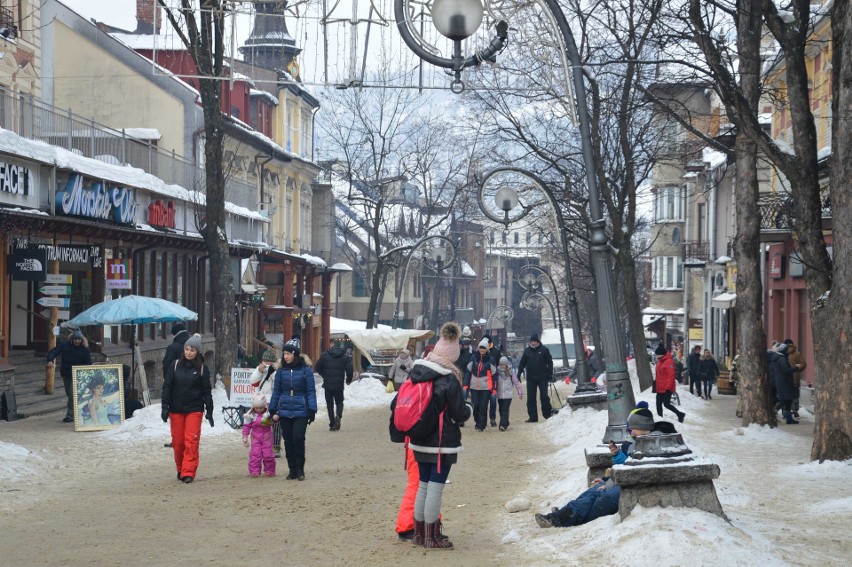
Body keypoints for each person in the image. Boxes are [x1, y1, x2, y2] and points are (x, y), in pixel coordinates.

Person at [395, 322, 471, 549]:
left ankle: (419, 534)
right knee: (435, 489)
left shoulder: (418, 373)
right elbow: (460, 413)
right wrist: (469, 410)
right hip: (441, 444)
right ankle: (432, 536)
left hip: (418, 440)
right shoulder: (448, 379)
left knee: (423, 486)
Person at [161, 333, 214, 484]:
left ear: (197, 352)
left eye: (192, 350)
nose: (189, 352)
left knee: (191, 441)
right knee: (178, 443)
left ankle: (188, 471)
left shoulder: (202, 369)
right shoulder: (175, 365)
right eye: (187, 349)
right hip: (176, 409)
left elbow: (207, 391)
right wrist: (165, 407)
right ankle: (180, 467)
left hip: (194, 409)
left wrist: (209, 410)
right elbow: (167, 387)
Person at [269, 338, 318, 480]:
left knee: (298, 438)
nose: (286, 356)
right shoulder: (281, 371)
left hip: (301, 409)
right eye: (284, 353)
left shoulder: (305, 371)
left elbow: (310, 390)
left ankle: (300, 469)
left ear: (295, 354)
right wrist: (273, 409)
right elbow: (276, 391)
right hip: (284, 409)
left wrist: (312, 409)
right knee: (288, 440)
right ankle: (292, 469)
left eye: (289, 353)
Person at [47, 330, 92, 423]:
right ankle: (78, 411)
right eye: (75, 339)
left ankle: (70, 415)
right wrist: (50, 360)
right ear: (71, 339)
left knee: (72, 394)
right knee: (69, 393)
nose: (77, 341)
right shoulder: (64, 345)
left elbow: (88, 362)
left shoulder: (84, 348)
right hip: (67, 373)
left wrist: (88, 373)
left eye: (79, 339)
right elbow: (54, 351)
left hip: (79, 374)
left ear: (82, 340)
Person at [314, 338, 354, 431]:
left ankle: (332, 424)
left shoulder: (325, 355)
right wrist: (348, 380)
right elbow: (350, 369)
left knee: (329, 404)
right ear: (339, 346)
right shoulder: (345, 356)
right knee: (339, 402)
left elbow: (317, 367)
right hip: (339, 385)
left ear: (332, 344)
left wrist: (324, 375)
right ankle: (338, 416)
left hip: (328, 384)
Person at [517, 333, 554, 422]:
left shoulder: (544, 350)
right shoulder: (527, 351)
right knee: (531, 398)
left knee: (544, 397)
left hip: (543, 377)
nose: (533, 343)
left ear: (537, 342)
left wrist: (550, 373)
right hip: (531, 378)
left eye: (534, 341)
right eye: (531, 341)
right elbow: (522, 363)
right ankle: (533, 417)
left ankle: (547, 414)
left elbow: (550, 362)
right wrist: (519, 373)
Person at [250, 349, 280, 457]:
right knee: (261, 424)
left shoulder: (277, 371)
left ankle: (276, 446)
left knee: (276, 423)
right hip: (261, 400)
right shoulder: (259, 369)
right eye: (265, 361)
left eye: (269, 362)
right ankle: (262, 445)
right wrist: (259, 371)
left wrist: (272, 372)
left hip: (273, 400)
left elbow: (277, 385)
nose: (267, 364)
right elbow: (252, 382)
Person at [463, 338, 497, 431]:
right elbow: (468, 372)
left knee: (483, 406)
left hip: (486, 387)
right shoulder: (473, 358)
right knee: (476, 406)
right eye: (480, 348)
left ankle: (482, 425)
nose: (482, 350)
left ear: (487, 349)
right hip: (474, 387)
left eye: (484, 348)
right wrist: (465, 384)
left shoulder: (491, 360)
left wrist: (494, 388)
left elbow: (494, 375)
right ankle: (478, 422)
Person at [242, 392, 276, 478]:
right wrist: (245, 436)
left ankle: (270, 470)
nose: (258, 410)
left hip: (267, 436)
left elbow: (274, 421)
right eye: (256, 408)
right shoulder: (250, 415)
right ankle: (254, 471)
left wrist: (272, 418)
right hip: (255, 437)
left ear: (264, 406)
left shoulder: (268, 413)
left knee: (268, 454)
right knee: (255, 454)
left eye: (261, 408)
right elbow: (247, 426)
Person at [654, 344, 685, 423]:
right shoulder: (660, 362)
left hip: (667, 388)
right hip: (660, 387)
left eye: (657, 354)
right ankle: (659, 419)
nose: (656, 356)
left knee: (666, 404)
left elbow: (671, 376)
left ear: (661, 354)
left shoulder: (668, 362)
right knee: (658, 403)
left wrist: (668, 388)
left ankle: (680, 414)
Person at [772, 343, 798, 424]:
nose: (787, 351)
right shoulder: (782, 359)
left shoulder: (778, 358)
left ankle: (789, 418)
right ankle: (773, 413)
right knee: (784, 400)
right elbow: (786, 370)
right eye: (786, 350)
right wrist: (796, 367)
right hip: (784, 382)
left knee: (788, 401)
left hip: (782, 382)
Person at [495, 356, 523, 431]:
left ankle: (502, 425)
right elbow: (494, 383)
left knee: (505, 409)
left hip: (508, 394)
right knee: (501, 410)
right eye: (501, 364)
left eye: (504, 364)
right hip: (500, 395)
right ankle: (506, 422)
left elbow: (516, 382)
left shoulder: (511, 373)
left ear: (507, 364)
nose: (502, 366)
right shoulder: (497, 373)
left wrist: (520, 391)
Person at [785, 339, 807, 418]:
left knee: (786, 395)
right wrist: (797, 370)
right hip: (795, 378)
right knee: (795, 395)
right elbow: (804, 364)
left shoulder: (783, 353)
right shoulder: (797, 353)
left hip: (785, 379)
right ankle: (794, 410)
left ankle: (786, 412)